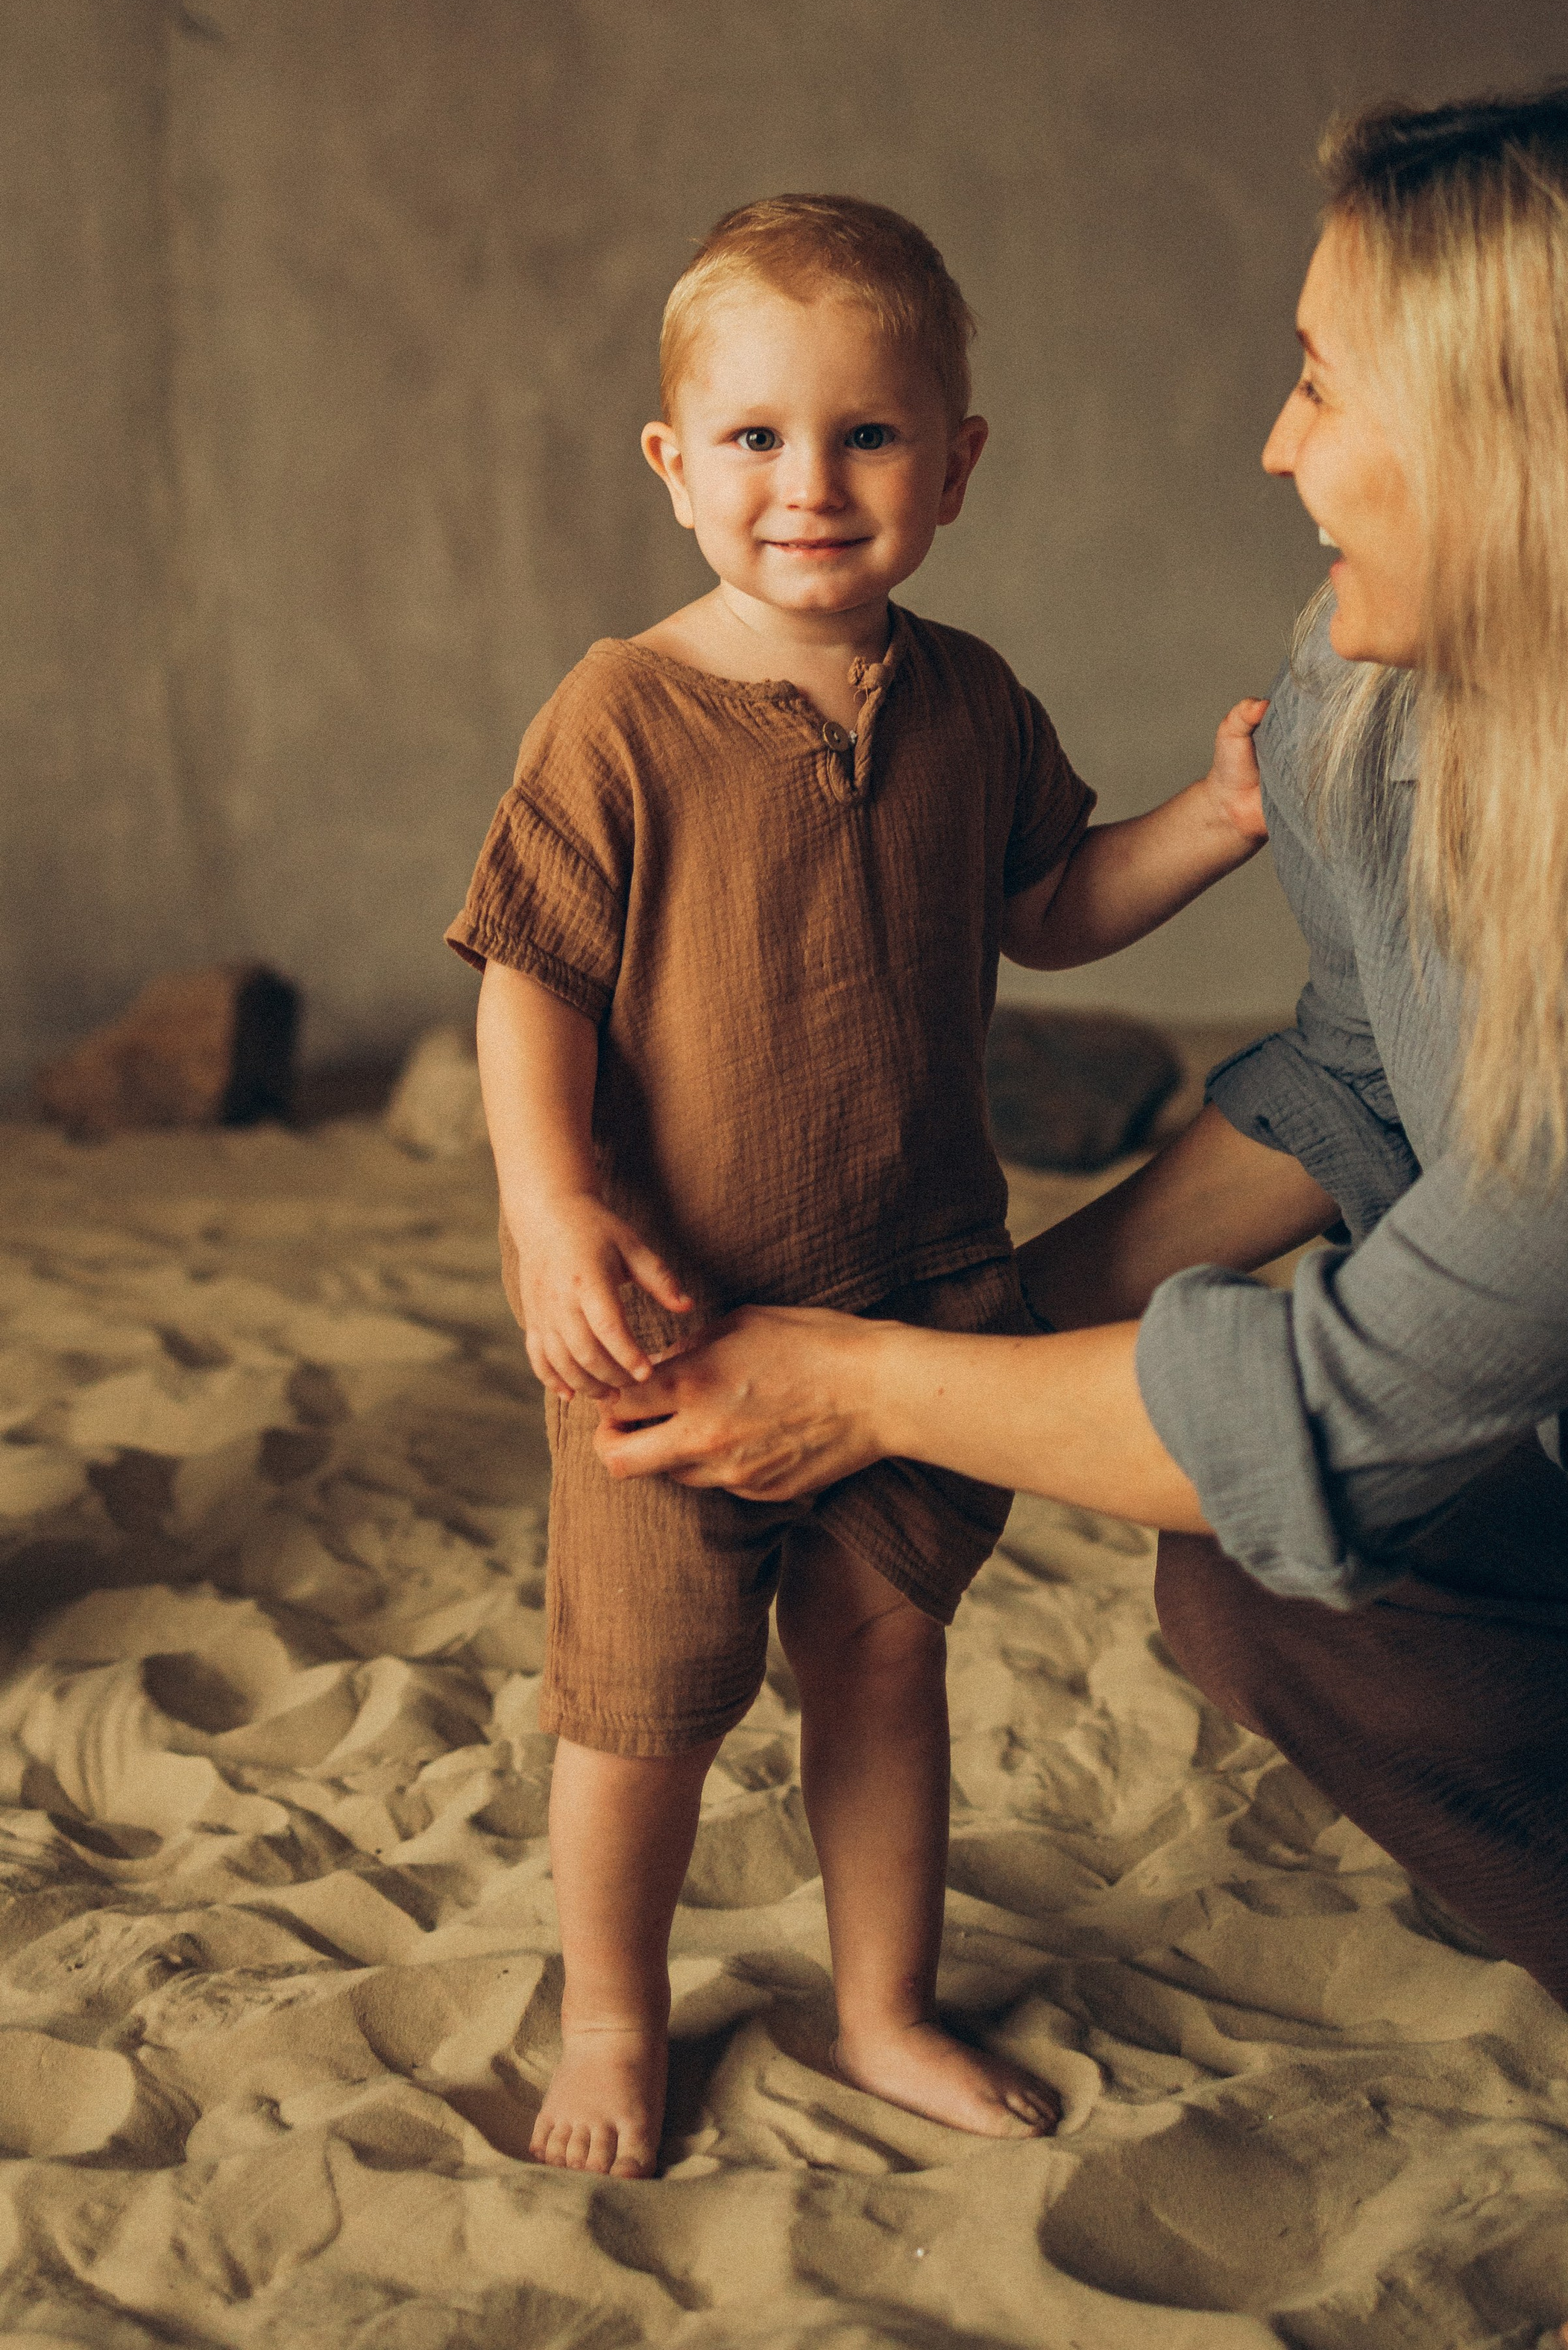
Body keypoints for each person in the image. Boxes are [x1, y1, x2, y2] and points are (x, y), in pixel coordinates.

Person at [589, 88, 1568, 2347]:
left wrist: (867, 1381)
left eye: (1321, 384)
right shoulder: (1365, 696)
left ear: (1531, 447)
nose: (1274, 448)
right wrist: (999, 1312)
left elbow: (1354, 1406)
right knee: (1271, 1595)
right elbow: (1369, 1085)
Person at [447, 193, 1271, 2180]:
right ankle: (618, 2013)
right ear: (673, 466)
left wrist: (1224, 817)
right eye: (755, 440)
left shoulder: (973, 701)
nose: (810, 487)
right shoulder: (621, 716)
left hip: (922, 1294)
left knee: (886, 1653)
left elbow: (1053, 909)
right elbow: (529, 985)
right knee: (646, 1705)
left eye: (871, 437)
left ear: (957, 462)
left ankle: (882, 2002)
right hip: (671, 1315)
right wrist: (555, 1205)